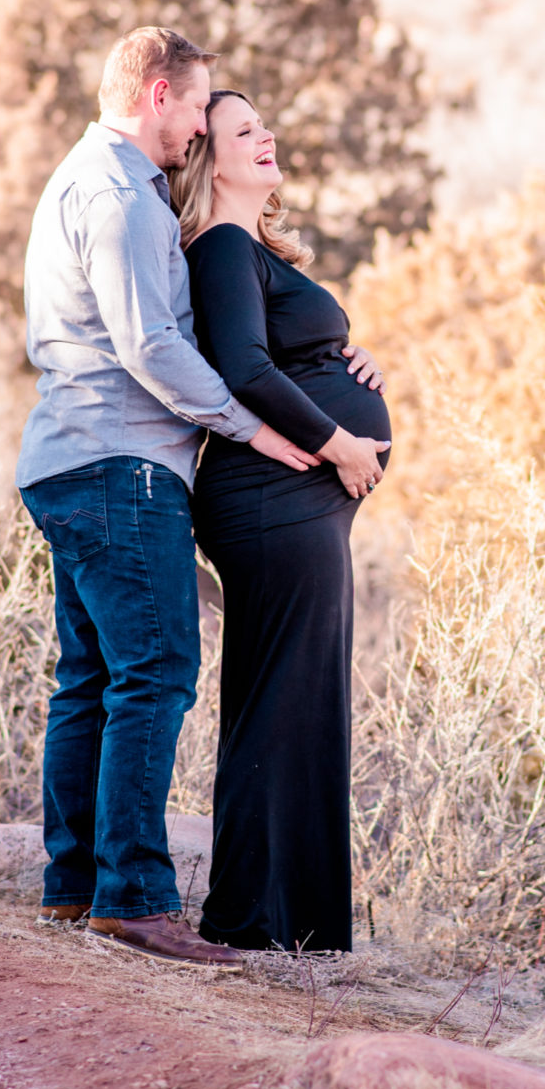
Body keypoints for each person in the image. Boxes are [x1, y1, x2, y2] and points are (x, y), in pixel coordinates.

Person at [18, 27, 374, 970]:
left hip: (77, 457)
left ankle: (74, 885)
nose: (195, 134)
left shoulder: (93, 181)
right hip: (119, 461)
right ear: (160, 95)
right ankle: (131, 899)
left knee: (91, 676)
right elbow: (152, 346)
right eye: (199, 109)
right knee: (157, 670)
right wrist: (256, 430)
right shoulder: (119, 195)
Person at [170, 92, 391, 954]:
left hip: (298, 507)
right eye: (241, 132)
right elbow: (244, 371)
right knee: (279, 706)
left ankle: (296, 926)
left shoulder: (255, 252)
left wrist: (349, 355)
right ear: (208, 162)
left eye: (265, 127)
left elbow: (288, 355)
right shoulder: (222, 245)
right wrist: (341, 443)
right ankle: (250, 923)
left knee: (303, 703)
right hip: (273, 500)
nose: (265, 139)